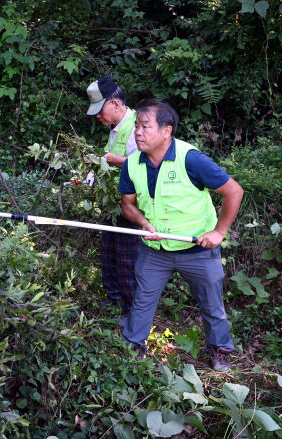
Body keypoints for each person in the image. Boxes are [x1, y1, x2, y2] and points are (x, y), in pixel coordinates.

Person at [119, 99, 243, 371]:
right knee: (142, 301)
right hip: (156, 251)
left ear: (167, 131)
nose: (137, 132)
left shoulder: (191, 159)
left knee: (212, 305)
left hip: (198, 250)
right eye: (136, 126)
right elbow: (127, 203)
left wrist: (219, 231)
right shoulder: (131, 165)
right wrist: (142, 222)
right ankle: (132, 352)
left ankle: (220, 350)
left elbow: (234, 191)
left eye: (145, 127)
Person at [86, 76, 140, 323]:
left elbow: (151, 166)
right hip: (113, 203)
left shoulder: (140, 126)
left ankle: (133, 310)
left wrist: (117, 162)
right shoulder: (115, 129)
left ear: (116, 104)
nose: (98, 116)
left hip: (134, 205)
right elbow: (111, 157)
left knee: (129, 258)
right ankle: (114, 299)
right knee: (109, 252)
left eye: (101, 110)